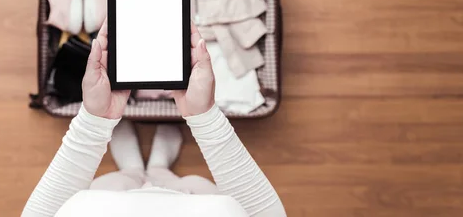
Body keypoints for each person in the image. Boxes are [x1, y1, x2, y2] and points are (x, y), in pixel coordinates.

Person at [21, 21, 286, 217]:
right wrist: (204, 118)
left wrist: (95, 122)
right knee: (188, 183)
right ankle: (159, 169)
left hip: (111, 201)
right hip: (191, 198)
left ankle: (135, 169)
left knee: (120, 181)